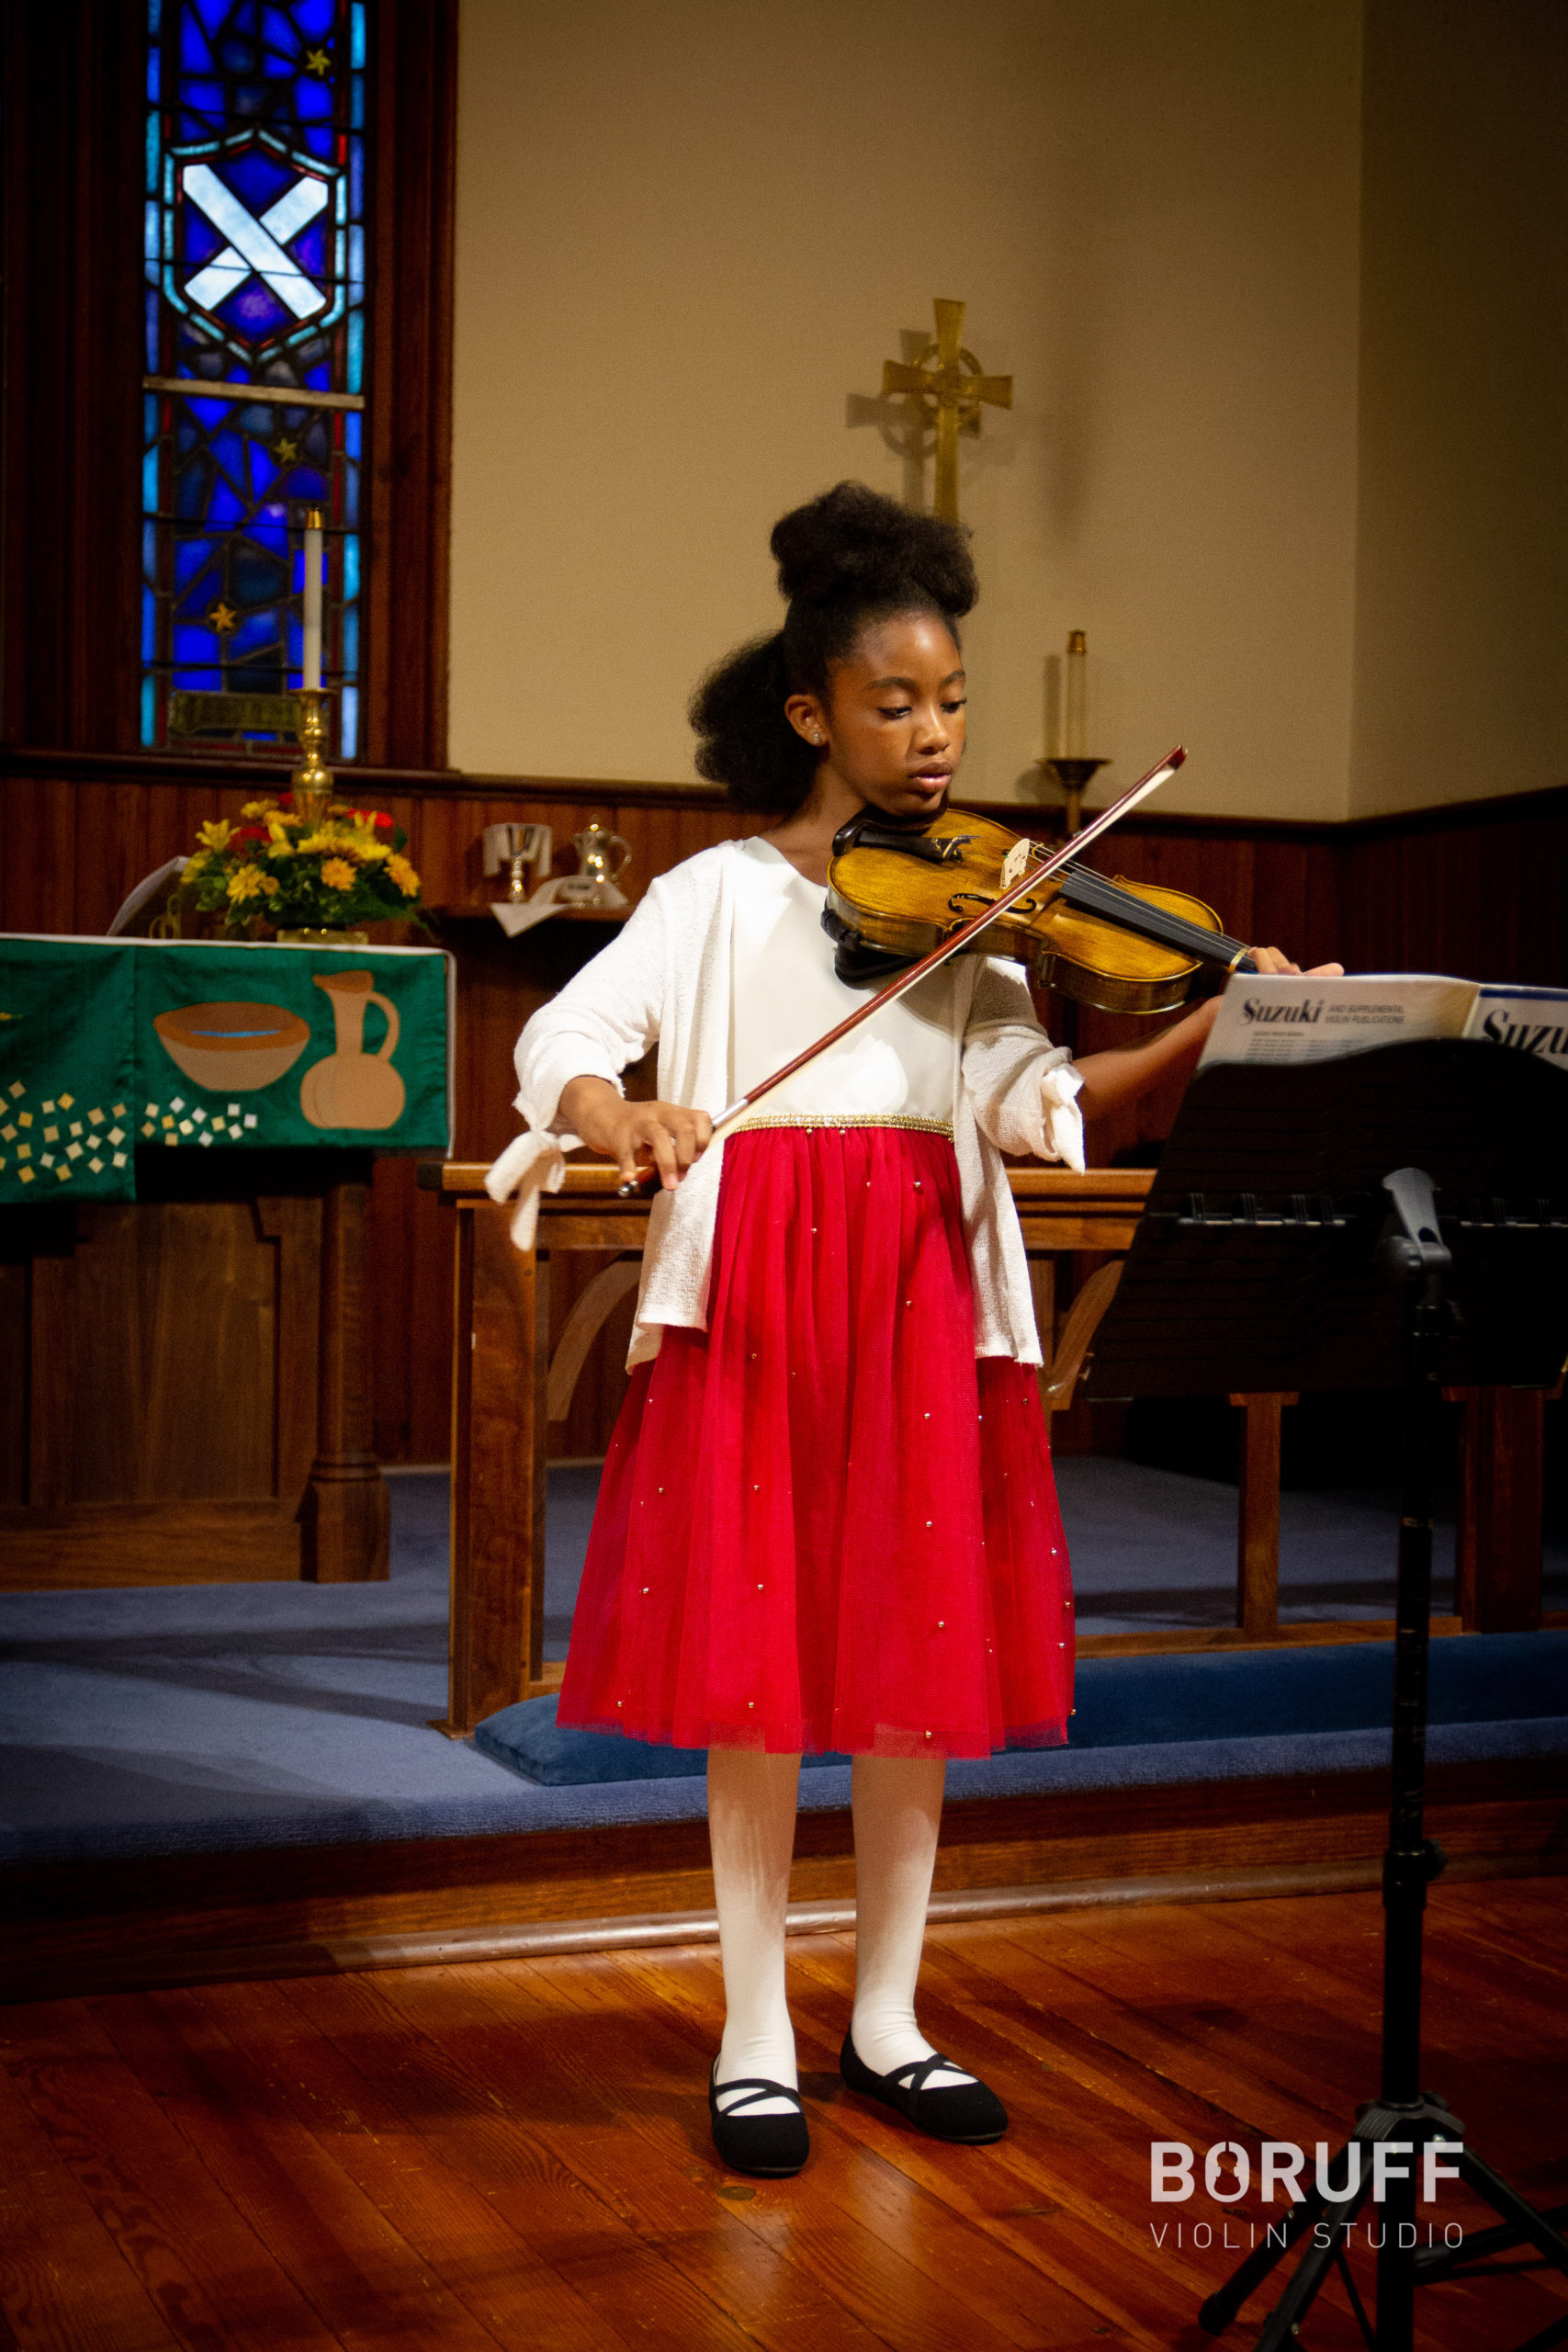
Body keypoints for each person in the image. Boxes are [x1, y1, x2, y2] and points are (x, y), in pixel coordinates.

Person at [507, 482, 1338, 2177]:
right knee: (755, 1678)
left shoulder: (981, 917)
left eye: (954, 699)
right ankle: (753, 2032)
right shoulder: (713, 893)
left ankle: (886, 2017)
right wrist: (619, 1116)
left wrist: (1213, 1026)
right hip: (759, 1289)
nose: (938, 733)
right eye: (896, 703)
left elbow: (1043, 1102)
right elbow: (567, 1040)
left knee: (914, 1662)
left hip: (921, 1292)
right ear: (811, 713)